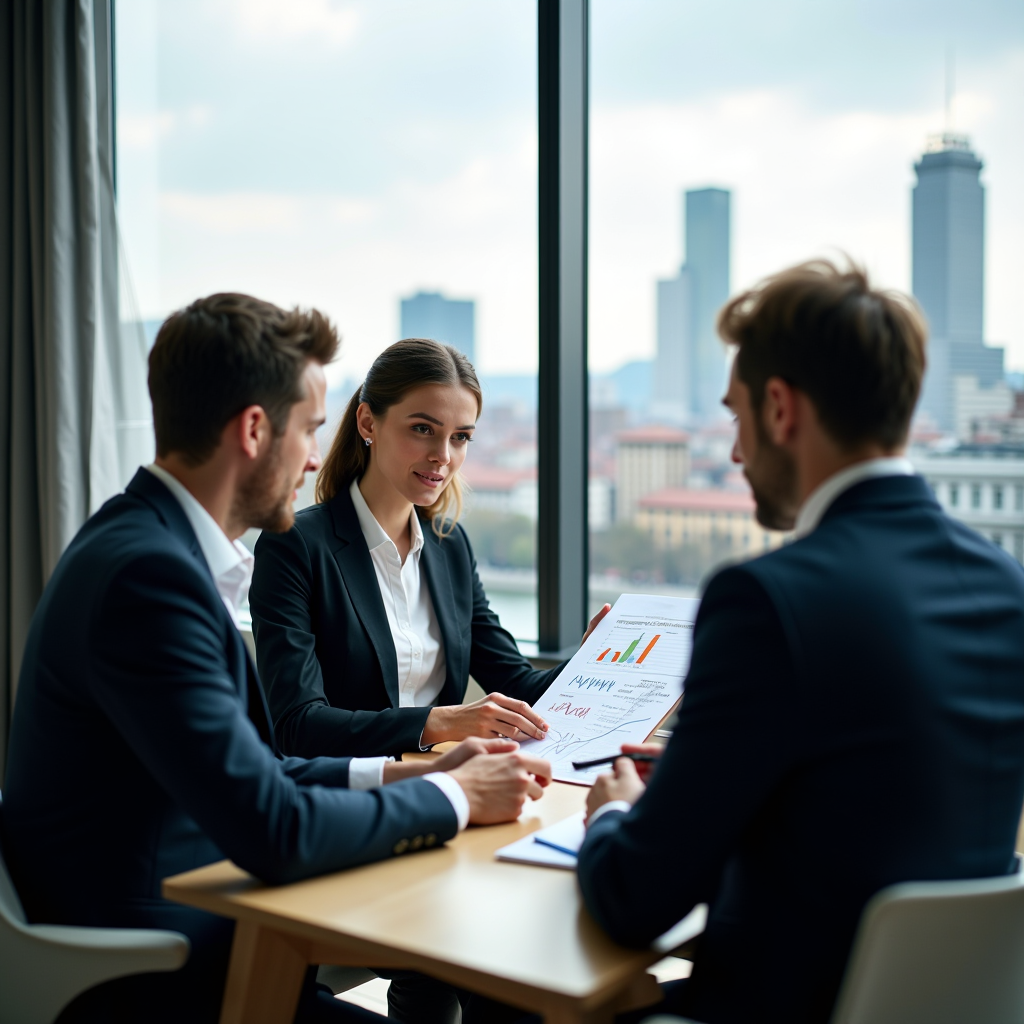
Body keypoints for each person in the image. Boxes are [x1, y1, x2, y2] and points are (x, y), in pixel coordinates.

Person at [1, 294, 551, 1024]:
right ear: (256, 431)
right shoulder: (150, 579)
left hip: (205, 929)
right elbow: (274, 826)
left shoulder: (142, 546)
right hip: (153, 967)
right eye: (310, 429)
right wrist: (457, 798)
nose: (316, 458)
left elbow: (254, 773)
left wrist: (412, 772)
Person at [573, 260, 1024, 1024]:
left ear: (780, 408)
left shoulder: (768, 600)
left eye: (737, 417)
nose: (737, 453)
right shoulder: (1005, 585)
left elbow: (633, 899)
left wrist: (614, 815)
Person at [249, 337, 609, 766]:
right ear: (368, 423)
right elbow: (297, 726)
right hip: (341, 800)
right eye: (423, 429)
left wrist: (590, 663)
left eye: (460, 437)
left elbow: (517, 683)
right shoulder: (295, 545)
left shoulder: (449, 545)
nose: (443, 456)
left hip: (444, 786)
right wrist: (439, 722)